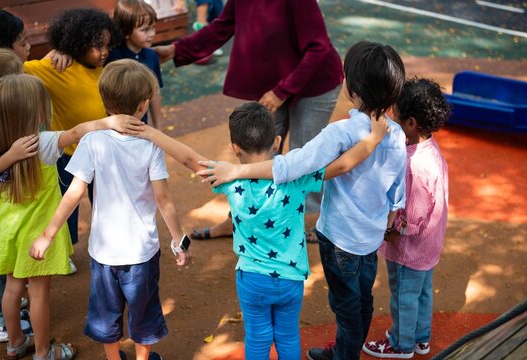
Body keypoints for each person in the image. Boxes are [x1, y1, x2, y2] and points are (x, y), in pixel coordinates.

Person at [196, 41, 408, 360]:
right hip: (371, 236)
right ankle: (346, 348)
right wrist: (392, 213)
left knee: (345, 305)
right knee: (363, 299)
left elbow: (292, 165)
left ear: (351, 88)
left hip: (339, 239)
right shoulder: (397, 134)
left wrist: (239, 170)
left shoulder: (340, 133)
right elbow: (397, 184)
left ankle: (344, 354)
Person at [136, 100, 387, 359]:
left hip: (252, 279)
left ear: (235, 149)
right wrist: (376, 137)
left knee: (257, 338)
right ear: (276, 142)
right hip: (290, 278)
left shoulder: (230, 178)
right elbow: (342, 165)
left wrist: (150, 132)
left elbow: (188, 158)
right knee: (288, 337)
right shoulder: (296, 176)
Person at [30, 59, 191, 360]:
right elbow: (163, 199)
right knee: (143, 311)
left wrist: (47, 235)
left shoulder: (92, 141)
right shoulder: (150, 145)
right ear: (144, 105)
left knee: (106, 313)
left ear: (104, 101)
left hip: (103, 251)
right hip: (141, 252)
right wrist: (178, 240)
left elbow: (73, 194)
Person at [154, 0, 344, 241]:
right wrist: (176, 50)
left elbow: (318, 48)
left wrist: (281, 91)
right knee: (257, 152)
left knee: (304, 154)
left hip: (315, 83)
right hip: (274, 84)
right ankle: (239, 219)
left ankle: (308, 223)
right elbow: (221, 27)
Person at [0, 73, 142, 360]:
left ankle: (15, 342)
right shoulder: (42, 142)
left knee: (11, 288)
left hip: (6, 228)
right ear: (36, 110)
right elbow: (76, 132)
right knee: (38, 294)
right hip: (34, 230)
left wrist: (7, 158)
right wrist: (109, 121)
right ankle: (44, 352)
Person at [23, 8, 119, 272]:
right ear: (76, 43)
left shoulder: (106, 69)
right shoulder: (55, 68)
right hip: (68, 154)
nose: (103, 52)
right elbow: (13, 66)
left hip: (102, 152)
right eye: (96, 46)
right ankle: (64, 249)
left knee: (105, 199)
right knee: (66, 204)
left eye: (107, 45)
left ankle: (109, 243)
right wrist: (54, 52)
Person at [362, 78, 450, 359]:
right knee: (422, 293)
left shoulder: (413, 166)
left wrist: (384, 233)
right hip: (428, 246)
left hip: (408, 250)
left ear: (411, 124)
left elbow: (409, 220)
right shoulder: (431, 151)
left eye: (395, 116)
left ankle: (401, 344)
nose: (390, 119)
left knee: (404, 296)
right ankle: (420, 338)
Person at [0, 48, 37, 344]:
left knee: (0, 267)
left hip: (0, 207)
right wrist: (9, 157)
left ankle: (6, 305)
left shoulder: (0, 118)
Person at [109, 0, 164, 129]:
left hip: (139, 126)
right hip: (113, 128)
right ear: (126, 31)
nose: (152, 34)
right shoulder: (112, 57)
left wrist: (159, 128)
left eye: (153, 27)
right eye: (145, 30)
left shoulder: (151, 56)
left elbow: (154, 93)